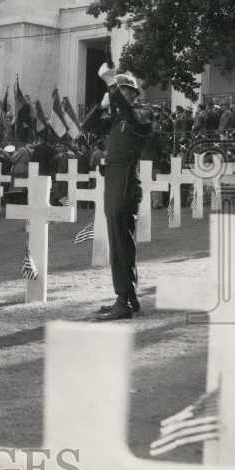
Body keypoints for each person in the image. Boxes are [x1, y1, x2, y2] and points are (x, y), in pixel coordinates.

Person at [81, 67, 153, 320]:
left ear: (133, 93)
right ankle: (129, 297)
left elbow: (133, 117)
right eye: (117, 89)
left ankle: (123, 300)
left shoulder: (142, 113)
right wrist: (101, 105)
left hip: (125, 181)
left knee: (121, 243)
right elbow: (87, 126)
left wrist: (112, 84)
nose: (118, 94)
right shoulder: (116, 118)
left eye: (123, 89)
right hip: (113, 178)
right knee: (120, 241)